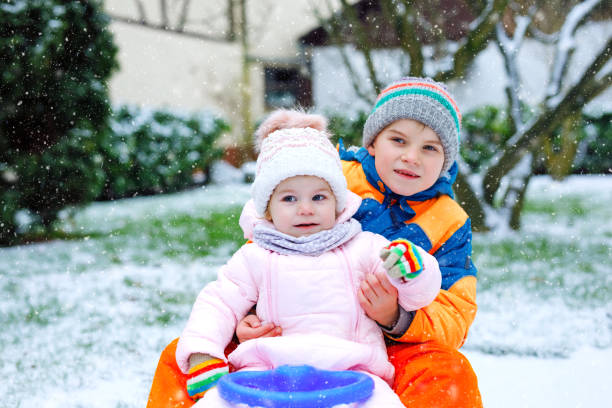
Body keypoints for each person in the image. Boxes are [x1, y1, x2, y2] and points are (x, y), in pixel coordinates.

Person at [146, 77, 482, 407]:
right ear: (372, 143)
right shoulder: (329, 177)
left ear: (446, 162)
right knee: (180, 357)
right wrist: (245, 318)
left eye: (429, 148)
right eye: (398, 140)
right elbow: (267, 245)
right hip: (282, 331)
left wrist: (396, 318)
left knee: (447, 373)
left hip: (394, 344)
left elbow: (455, 312)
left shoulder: (450, 222)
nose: (412, 157)